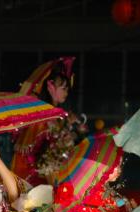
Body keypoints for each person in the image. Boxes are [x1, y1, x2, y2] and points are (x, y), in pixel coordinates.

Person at [11, 57, 87, 186]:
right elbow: (33, 152)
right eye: (63, 88)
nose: (66, 93)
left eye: (67, 89)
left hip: (52, 175)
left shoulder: (59, 116)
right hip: (34, 178)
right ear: (50, 86)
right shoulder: (41, 116)